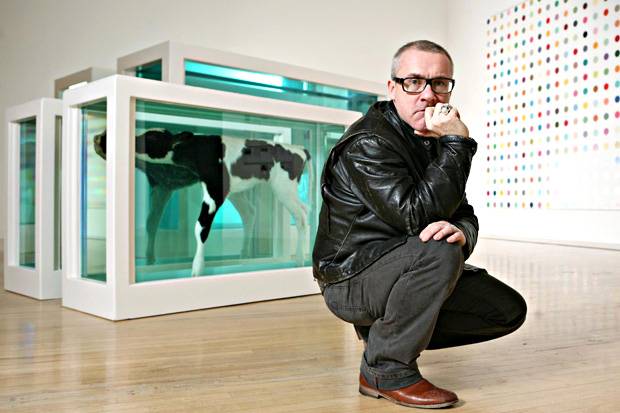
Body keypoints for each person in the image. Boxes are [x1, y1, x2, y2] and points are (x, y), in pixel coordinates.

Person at [312, 40, 527, 409]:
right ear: (392, 87)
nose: (428, 95)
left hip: (400, 265)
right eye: (413, 82)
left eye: (440, 83)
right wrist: (457, 143)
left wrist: (463, 233)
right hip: (349, 277)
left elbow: (463, 212)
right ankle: (386, 370)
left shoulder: (428, 139)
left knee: (504, 310)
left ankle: (382, 335)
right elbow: (415, 217)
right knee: (438, 251)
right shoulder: (369, 142)